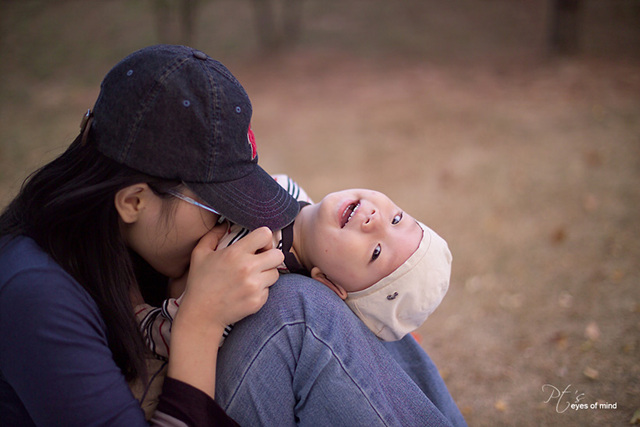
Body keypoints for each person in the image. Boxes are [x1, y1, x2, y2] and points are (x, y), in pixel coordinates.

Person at [0, 44, 467, 426]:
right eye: (216, 202)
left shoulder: (121, 243)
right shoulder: (36, 295)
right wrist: (199, 322)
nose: (234, 219)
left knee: (369, 306)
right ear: (134, 202)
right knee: (300, 308)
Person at [136, 174, 452, 362]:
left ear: (329, 285)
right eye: (396, 219)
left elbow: (178, 336)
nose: (376, 220)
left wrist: (134, 310)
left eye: (376, 252)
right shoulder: (288, 190)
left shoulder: (254, 276)